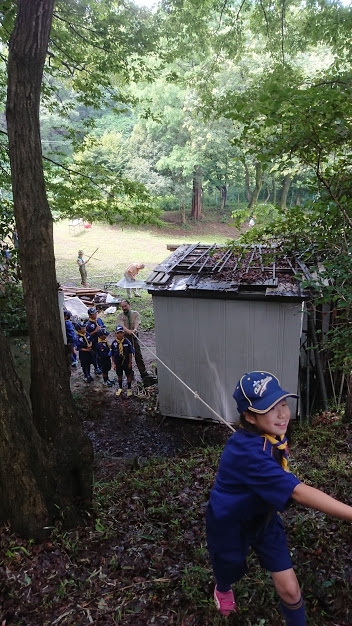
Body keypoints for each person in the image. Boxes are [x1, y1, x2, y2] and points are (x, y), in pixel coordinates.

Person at [206, 370, 352, 624]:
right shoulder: (247, 454)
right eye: (270, 408)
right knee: (229, 566)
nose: (283, 413)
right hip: (230, 522)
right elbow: (297, 491)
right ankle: (222, 587)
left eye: (283, 403)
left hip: (264, 517)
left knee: (291, 589)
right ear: (249, 417)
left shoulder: (270, 435)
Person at [116, 299, 148, 381]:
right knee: (126, 356)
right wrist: (128, 331)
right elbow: (121, 326)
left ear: (129, 305)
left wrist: (134, 329)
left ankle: (143, 373)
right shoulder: (120, 316)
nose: (124, 308)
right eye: (122, 307)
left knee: (138, 354)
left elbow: (137, 322)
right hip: (125, 337)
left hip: (134, 335)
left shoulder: (135, 314)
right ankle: (130, 373)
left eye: (125, 306)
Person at [109, 325, 134, 397]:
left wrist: (130, 362)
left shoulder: (127, 342)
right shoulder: (114, 343)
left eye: (121, 333)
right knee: (119, 375)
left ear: (123, 333)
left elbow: (130, 353)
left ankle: (129, 388)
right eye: (118, 333)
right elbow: (112, 354)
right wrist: (113, 363)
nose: (120, 334)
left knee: (128, 374)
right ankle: (120, 388)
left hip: (126, 361)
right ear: (115, 334)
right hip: (118, 362)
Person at [85, 306, 105, 375]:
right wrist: (95, 331)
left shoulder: (99, 320)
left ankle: (101, 366)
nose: (95, 314)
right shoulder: (88, 324)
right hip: (93, 341)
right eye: (93, 314)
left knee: (101, 354)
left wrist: (102, 330)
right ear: (90, 315)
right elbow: (86, 334)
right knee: (94, 355)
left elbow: (103, 326)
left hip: (100, 340)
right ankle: (96, 367)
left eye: (96, 313)